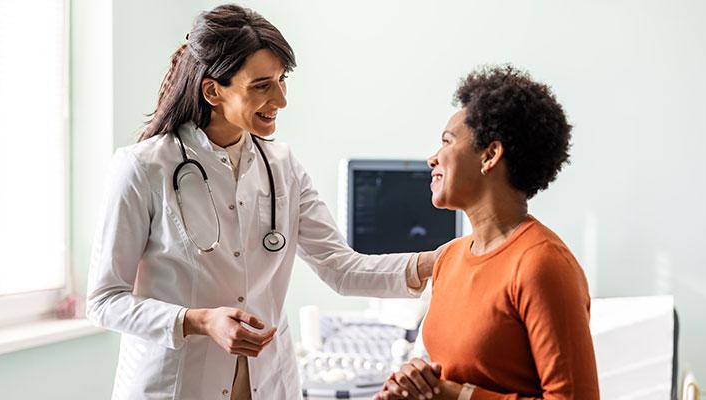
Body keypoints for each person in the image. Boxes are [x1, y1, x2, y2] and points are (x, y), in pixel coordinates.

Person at [86, 4, 440, 399]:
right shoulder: (143, 168)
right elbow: (105, 300)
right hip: (175, 386)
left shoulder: (282, 166)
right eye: (261, 85)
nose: (281, 100)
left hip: (268, 384)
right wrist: (199, 321)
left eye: (281, 80)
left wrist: (443, 262)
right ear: (213, 91)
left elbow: (341, 268)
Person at [376, 65, 600, 400]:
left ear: (490, 155)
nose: (431, 159)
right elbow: (451, 376)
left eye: (446, 142)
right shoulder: (449, 259)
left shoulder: (542, 264)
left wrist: (458, 395)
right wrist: (412, 388)